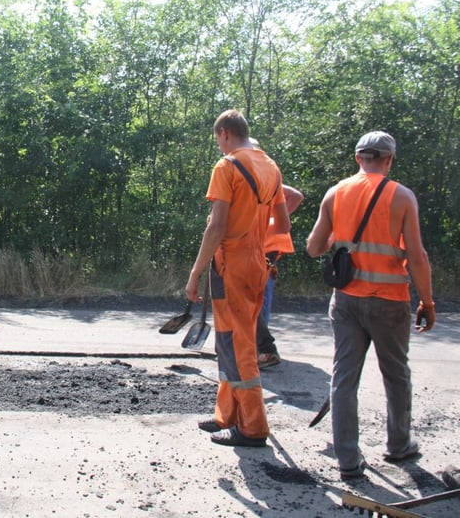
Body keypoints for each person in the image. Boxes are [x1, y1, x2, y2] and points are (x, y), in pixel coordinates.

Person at [306, 131, 436, 480]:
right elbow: (417, 256)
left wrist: (341, 237)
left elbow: (315, 247)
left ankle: (347, 459)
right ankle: (398, 446)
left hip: (346, 300)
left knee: (344, 376)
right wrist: (427, 300)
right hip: (390, 302)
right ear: (389, 160)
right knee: (396, 375)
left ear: (357, 158)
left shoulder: (336, 193)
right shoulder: (402, 197)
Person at [186, 110, 290, 448]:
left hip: (231, 263)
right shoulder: (270, 166)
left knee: (240, 343)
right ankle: (226, 415)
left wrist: (195, 271)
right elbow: (283, 224)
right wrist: (257, 244)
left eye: (217, 139)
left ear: (225, 133)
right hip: (257, 262)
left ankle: (253, 427)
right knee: (229, 340)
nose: (218, 145)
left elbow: (216, 227)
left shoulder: (227, 166)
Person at [256, 182, 304, 368]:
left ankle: (264, 350)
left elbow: (296, 195)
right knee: (258, 300)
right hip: (261, 249)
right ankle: (259, 348)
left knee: (255, 300)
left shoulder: (264, 183)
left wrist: (273, 221)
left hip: (263, 251)